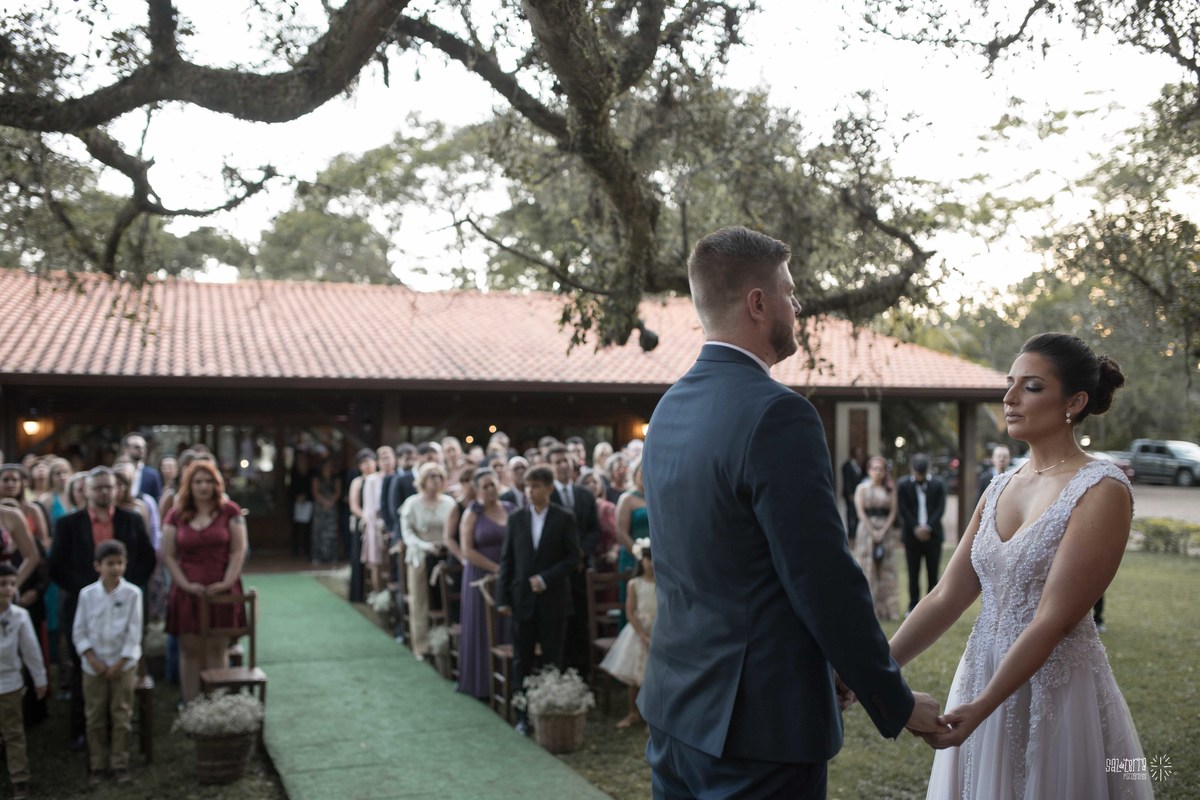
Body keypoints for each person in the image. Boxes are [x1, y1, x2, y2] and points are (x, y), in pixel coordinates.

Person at [640, 226, 941, 798]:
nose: (797, 306)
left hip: (676, 710)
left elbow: (726, 563)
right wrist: (894, 701)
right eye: (790, 291)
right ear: (758, 303)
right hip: (758, 730)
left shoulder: (669, 409)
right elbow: (821, 576)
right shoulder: (780, 415)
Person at [892, 333, 1150, 798]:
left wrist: (985, 704)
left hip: (1053, 692)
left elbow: (1054, 618)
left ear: (1075, 401)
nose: (1008, 398)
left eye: (1030, 386)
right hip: (978, 671)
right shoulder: (998, 487)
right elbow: (947, 595)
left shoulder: (1101, 487)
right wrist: (876, 672)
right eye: (1010, 384)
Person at [50, 466, 154, 750]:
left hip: (123, 605)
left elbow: (147, 559)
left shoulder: (131, 520)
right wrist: (91, 590)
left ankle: (118, 730)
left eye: (109, 487)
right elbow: (56, 566)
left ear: (117, 489)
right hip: (82, 606)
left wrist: (123, 586)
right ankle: (83, 731)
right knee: (84, 669)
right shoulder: (68, 524)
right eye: (98, 488)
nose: (104, 492)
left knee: (121, 665)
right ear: (86, 491)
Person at [496, 465, 580, 737]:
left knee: (552, 659)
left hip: (553, 599)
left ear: (549, 488)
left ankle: (550, 710)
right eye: (527, 487)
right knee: (522, 658)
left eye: (536, 486)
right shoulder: (517, 519)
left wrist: (546, 578)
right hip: (522, 600)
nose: (530, 491)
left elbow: (573, 558)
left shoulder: (564, 518)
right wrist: (503, 598)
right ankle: (523, 715)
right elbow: (507, 561)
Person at [160, 461, 247, 701]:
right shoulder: (176, 514)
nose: (203, 486)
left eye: (208, 481)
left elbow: (238, 551)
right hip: (188, 591)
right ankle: (192, 706)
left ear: (216, 484)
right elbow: (168, 554)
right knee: (189, 649)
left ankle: (216, 706)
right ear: (190, 485)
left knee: (217, 648)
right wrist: (185, 584)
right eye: (198, 481)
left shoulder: (230, 510)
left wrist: (227, 583)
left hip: (221, 590)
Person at [72, 539, 142, 787]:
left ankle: (120, 764)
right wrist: (94, 660)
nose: (115, 568)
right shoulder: (87, 595)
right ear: (97, 566)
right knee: (95, 717)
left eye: (120, 563)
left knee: (121, 714)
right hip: (94, 667)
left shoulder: (133, 593)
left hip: (123, 666)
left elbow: (134, 633)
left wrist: (119, 663)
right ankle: (97, 765)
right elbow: (79, 632)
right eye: (110, 563)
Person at [456, 468, 512, 699]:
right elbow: (467, 550)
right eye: (485, 486)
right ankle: (481, 683)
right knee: (482, 625)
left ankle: (506, 682)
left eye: (493, 484)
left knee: (506, 625)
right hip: (481, 575)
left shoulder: (511, 509)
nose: (490, 489)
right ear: (478, 490)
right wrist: (495, 568)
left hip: (507, 575)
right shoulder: (472, 513)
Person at [0, 563, 48, 800]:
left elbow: (31, 651)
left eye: (11, 583)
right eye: (2, 584)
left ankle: (19, 778)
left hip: (9, 684)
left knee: (14, 733)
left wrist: (40, 679)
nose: (8, 589)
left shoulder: (20, 617)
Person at [397, 463, 454, 660]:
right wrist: (425, 545)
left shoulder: (449, 503)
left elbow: (454, 529)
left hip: (445, 557)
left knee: (445, 601)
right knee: (420, 601)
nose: (436, 480)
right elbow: (407, 533)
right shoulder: (412, 503)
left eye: (439, 476)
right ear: (422, 480)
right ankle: (420, 645)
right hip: (420, 557)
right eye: (431, 476)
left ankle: (444, 643)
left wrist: (446, 544)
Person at [599, 537, 656, 729]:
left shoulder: (663, 584)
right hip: (639, 632)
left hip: (658, 631)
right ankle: (633, 712)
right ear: (642, 560)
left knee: (655, 675)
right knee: (635, 673)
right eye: (648, 559)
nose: (652, 564)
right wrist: (642, 635)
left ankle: (654, 716)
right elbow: (630, 612)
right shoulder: (635, 584)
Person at [897, 454, 947, 614]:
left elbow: (940, 508)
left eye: (923, 474)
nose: (920, 477)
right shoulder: (903, 485)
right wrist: (916, 528)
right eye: (917, 474)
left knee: (933, 573)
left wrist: (928, 527)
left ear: (928, 470)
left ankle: (932, 609)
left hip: (933, 536)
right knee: (913, 573)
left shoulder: (938, 484)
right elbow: (903, 509)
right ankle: (913, 606)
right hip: (912, 536)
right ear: (912, 470)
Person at [854, 455, 900, 621]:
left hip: (885, 531)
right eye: (874, 468)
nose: (878, 472)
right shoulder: (862, 489)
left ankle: (887, 610)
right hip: (866, 531)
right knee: (867, 568)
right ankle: (868, 609)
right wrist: (872, 530)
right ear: (869, 470)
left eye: (881, 469)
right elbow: (860, 512)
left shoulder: (890, 489)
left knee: (886, 570)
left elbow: (893, 512)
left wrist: (883, 530)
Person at [310, 456, 342, 565]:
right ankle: (317, 557)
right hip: (320, 507)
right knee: (318, 532)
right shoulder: (317, 477)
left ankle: (332, 556)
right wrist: (324, 502)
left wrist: (331, 502)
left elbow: (338, 492)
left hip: (332, 507)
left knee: (332, 532)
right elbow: (315, 492)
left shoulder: (335, 477)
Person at [121, 433, 162, 501]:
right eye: (137, 447)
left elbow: (157, 499)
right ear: (126, 450)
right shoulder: (116, 472)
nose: (142, 449)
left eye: (144, 447)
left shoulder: (153, 475)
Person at [841, 446, 865, 543]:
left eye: (860, 452)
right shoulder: (847, 465)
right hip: (850, 495)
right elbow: (846, 481)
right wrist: (850, 494)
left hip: (859, 494)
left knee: (857, 513)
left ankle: (855, 532)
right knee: (850, 514)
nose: (858, 455)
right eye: (857, 452)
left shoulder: (858, 466)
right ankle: (851, 533)